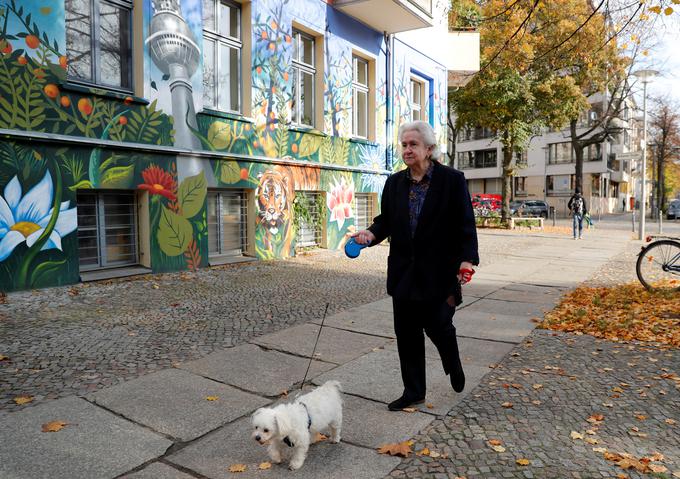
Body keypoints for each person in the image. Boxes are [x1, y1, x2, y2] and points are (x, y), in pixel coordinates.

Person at [352, 121, 479, 411]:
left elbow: (465, 224)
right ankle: (413, 391)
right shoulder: (395, 183)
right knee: (407, 334)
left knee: (438, 326)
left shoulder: (452, 180)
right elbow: (386, 220)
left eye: (413, 145)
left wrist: (467, 259)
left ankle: (452, 361)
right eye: (404, 144)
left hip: (439, 271)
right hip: (404, 272)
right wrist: (370, 234)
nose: (407, 150)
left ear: (429, 149)